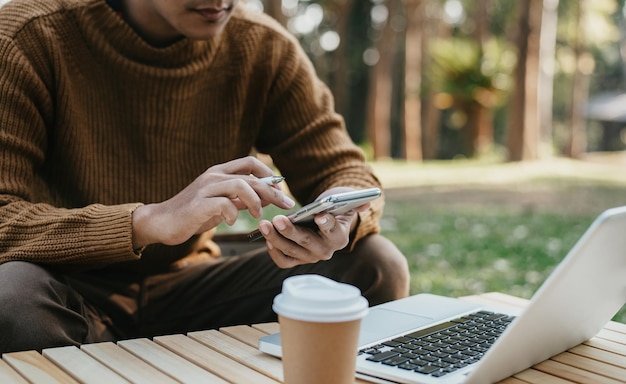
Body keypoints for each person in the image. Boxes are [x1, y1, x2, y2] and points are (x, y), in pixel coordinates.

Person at [0, 0, 410, 354]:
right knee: (10, 298)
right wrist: (147, 221)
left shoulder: (261, 46)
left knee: (375, 266)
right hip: (64, 289)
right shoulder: (29, 35)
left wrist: (341, 213)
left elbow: (341, 166)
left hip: (194, 287)